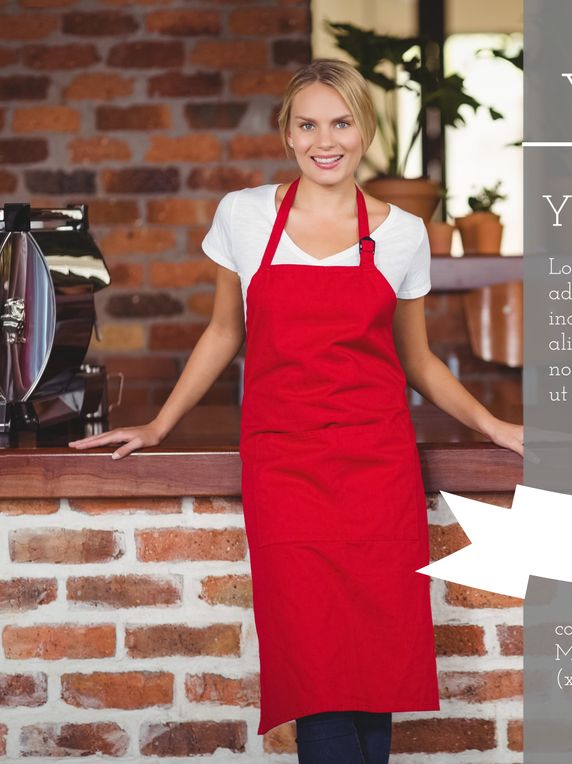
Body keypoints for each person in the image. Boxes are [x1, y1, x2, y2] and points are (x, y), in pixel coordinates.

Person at [70, 58, 524, 763]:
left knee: (377, 671)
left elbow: (420, 359)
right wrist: (160, 424)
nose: (326, 140)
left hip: (377, 470)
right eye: (308, 123)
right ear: (286, 133)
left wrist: (496, 427)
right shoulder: (245, 216)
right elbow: (224, 331)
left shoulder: (402, 234)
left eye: (341, 122)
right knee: (315, 673)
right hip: (286, 469)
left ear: (364, 130)